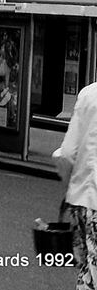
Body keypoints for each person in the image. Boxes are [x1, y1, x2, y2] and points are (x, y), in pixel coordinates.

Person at [54, 81, 97, 290]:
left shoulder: (88, 94)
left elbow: (68, 153)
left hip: (81, 200)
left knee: (87, 270)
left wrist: (69, 184)